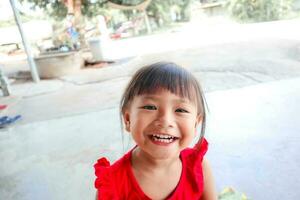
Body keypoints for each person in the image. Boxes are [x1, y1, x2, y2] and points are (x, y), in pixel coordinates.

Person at [94, 62, 217, 199]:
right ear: (128, 119)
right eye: (150, 107)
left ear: (196, 124)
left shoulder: (199, 167)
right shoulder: (111, 184)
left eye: (181, 110)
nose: (165, 121)